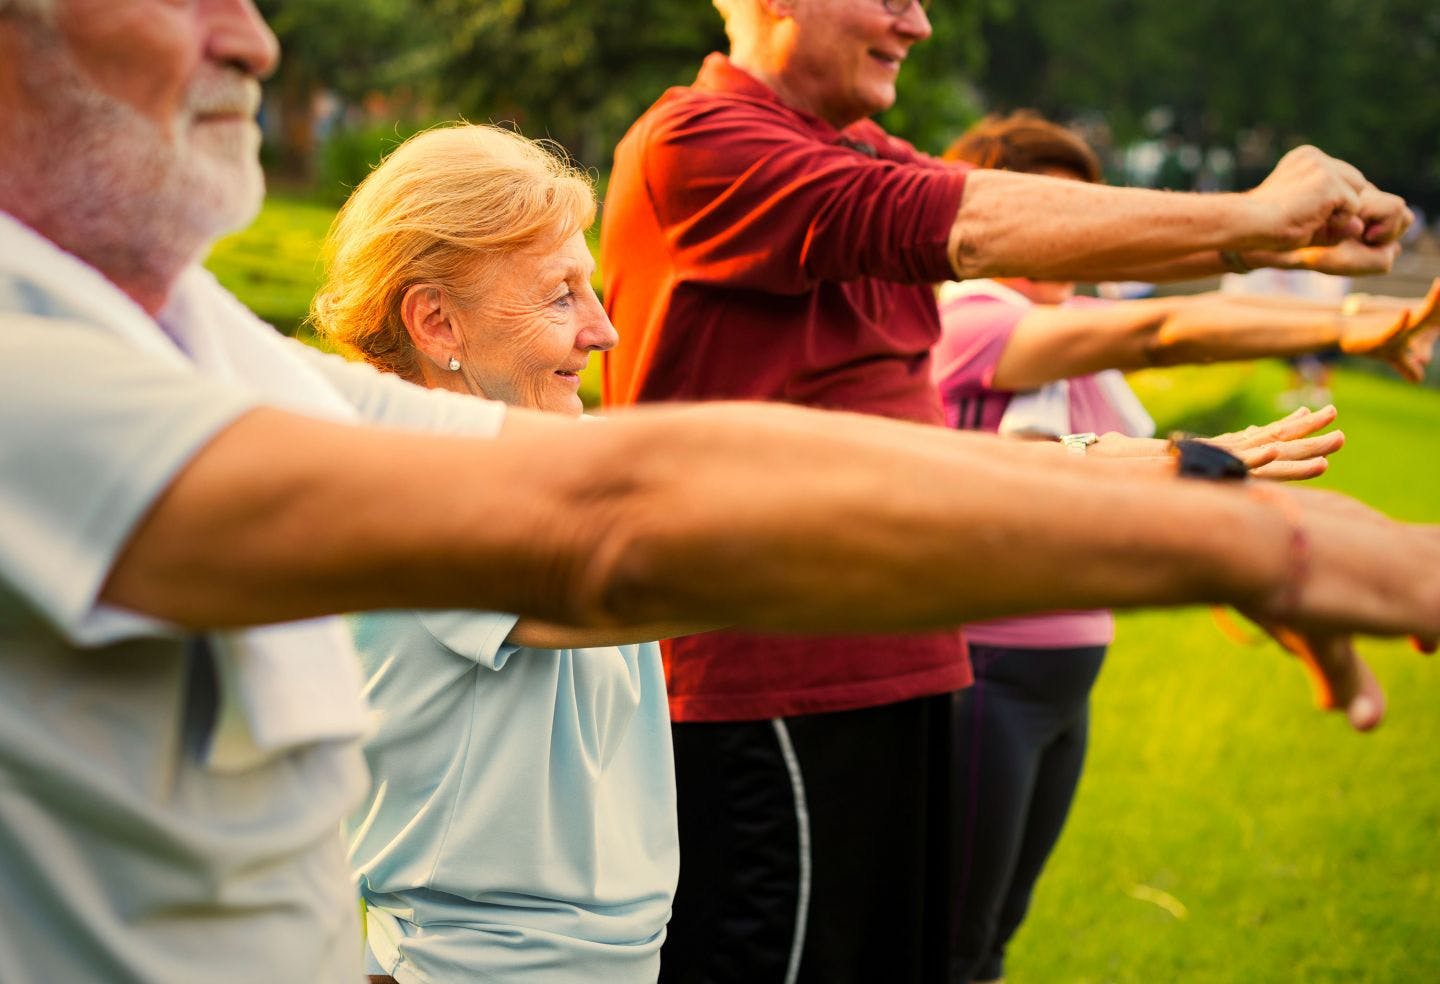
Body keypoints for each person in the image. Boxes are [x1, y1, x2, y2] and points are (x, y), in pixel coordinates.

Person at [3, 2, 1439, 981]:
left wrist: (1194, 487)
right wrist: (1250, 540)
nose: (253, 35)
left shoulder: (216, 358)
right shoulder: (33, 374)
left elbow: (746, 456)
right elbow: (618, 525)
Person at [598, 2, 1419, 981]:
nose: (919, 22)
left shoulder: (860, 148)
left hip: (907, 659)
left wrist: (1279, 245)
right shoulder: (698, 141)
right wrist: (1254, 218)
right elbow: (981, 227)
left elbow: (1017, 229)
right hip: (773, 686)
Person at [935, 111, 1440, 984]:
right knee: (948, 943)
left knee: (993, 935)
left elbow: (1154, 446)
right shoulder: (974, 319)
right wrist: (1341, 316)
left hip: (1064, 675)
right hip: (987, 674)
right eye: (1060, 213)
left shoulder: (1064, 322)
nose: (1082, 236)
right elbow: (1161, 329)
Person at [311, 123, 681, 983]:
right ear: (436, 320)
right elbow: (659, 580)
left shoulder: (523, 470)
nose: (604, 332)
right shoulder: (415, 494)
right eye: (561, 296)